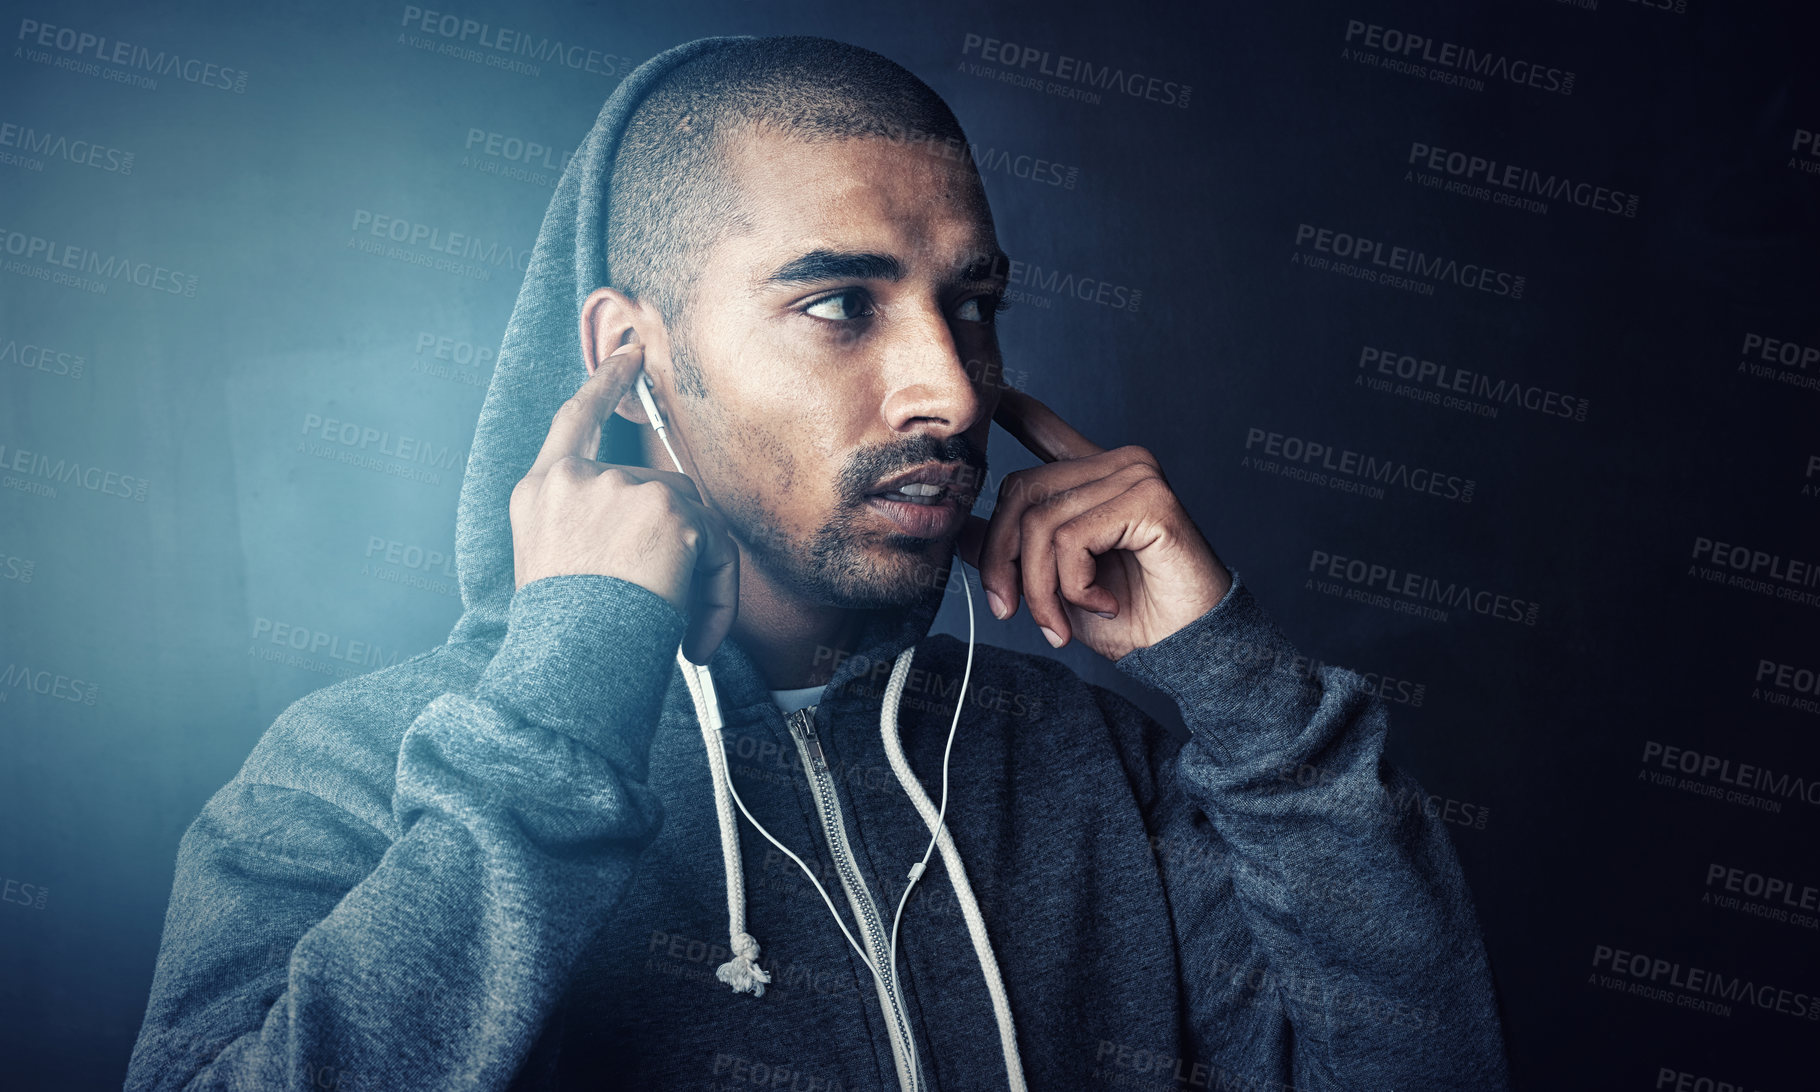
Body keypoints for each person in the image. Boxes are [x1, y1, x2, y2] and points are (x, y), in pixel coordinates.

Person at [125, 35, 1509, 1092]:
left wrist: (1243, 693)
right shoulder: (356, 772)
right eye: (838, 304)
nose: (949, 394)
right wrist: (560, 699)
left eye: (969, 307)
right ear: (631, 353)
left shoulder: (1104, 771)